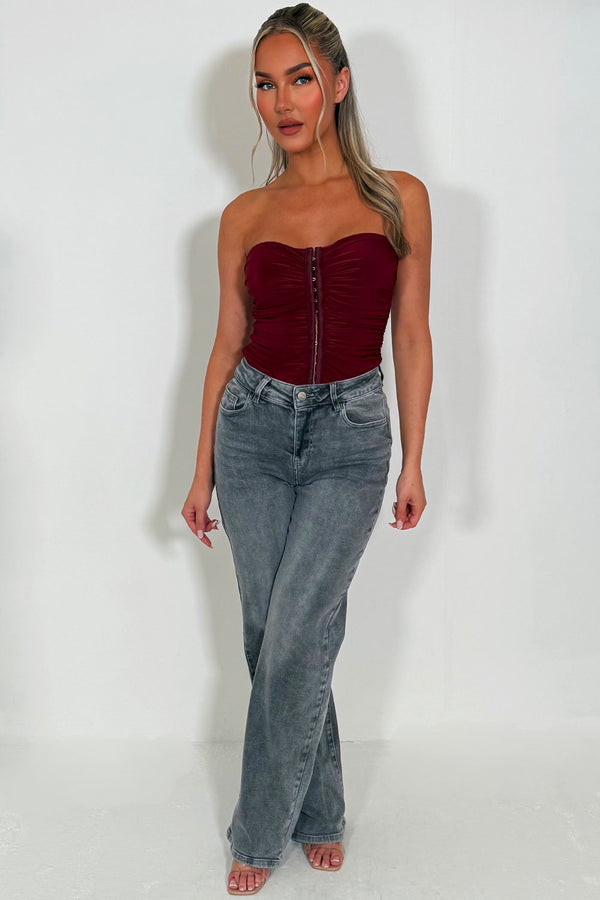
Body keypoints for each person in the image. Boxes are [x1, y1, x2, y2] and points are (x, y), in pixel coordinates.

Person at [181, 3, 432, 894]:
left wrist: (413, 457)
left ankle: (258, 831)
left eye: (299, 78)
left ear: (338, 84)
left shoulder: (399, 197)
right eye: (265, 83)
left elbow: (412, 334)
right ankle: (320, 810)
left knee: (296, 630)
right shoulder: (244, 214)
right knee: (270, 630)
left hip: (350, 437)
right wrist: (202, 468)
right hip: (251, 429)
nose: (281, 101)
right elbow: (225, 342)